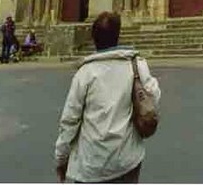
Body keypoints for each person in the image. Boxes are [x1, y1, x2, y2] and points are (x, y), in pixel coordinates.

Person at [55, 11, 160, 184]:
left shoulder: (85, 74)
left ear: (94, 39)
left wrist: (61, 158)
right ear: (117, 36)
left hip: (92, 164)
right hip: (127, 159)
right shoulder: (136, 65)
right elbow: (153, 97)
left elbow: (69, 121)